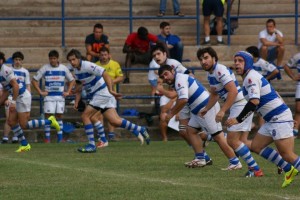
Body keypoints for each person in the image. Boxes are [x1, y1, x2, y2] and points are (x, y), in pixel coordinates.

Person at [225, 51, 300, 188]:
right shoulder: (250, 77)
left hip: (278, 118)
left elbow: (254, 102)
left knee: (287, 154)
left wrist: (238, 119)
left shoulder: (250, 78)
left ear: (247, 63)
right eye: (235, 60)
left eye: (240, 60)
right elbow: (274, 93)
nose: (236, 63)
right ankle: (289, 171)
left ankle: (289, 168)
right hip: (274, 119)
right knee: (256, 146)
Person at [66, 49, 150, 153]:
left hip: (101, 92)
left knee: (86, 116)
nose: (72, 62)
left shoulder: (87, 65)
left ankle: (92, 144)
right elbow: (79, 85)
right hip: (98, 94)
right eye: (70, 60)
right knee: (114, 121)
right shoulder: (77, 70)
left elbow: (105, 74)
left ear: (78, 58)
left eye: (73, 59)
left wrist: (110, 89)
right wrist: (76, 101)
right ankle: (140, 129)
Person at [158, 64, 240, 169]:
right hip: (200, 110)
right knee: (190, 130)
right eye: (162, 76)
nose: (165, 77)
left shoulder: (179, 79)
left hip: (206, 108)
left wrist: (171, 114)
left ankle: (235, 161)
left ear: (173, 71)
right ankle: (200, 158)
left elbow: (183, 100)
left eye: (166, 74)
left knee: (217, 136)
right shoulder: (177, 80)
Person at [197, 47, 262, 174]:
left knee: (232, 140)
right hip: (237, 105)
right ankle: (261, 165)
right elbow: (215, 94)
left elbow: (233, 91)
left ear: (214, 58)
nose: (203, 61)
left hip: (240, 104)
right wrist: (207, 108)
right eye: (200, 59)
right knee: (240, 142)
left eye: (206, 58)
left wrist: (222, 110)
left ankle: (254, 168)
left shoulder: (219, 70)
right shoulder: (210, 73)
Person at [31, 50, 75, 143]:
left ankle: (59, 139)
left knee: (59, 116)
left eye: (54, 58)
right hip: (49, 97)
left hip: (60, 97)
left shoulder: (63, 68)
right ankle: (47, 139)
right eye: (51, 58)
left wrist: (68, 91)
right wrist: (40, 92)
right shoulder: (45, 68)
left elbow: (72, 80)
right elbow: (34, 80)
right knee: (48, 117)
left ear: (57, 58)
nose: (52, 60)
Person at [0, 51, 31, 152]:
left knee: (23, 124)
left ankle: (49, 121)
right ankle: (24, 144)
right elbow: (5, 90)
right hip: (16, 96)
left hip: (22, 96)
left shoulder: (5, 70)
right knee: (11, 121)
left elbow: (16, 86)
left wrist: (13, 102)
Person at [94, 46, 124, 144]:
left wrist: (110, 82)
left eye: (105, 54)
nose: (103, 57)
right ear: (99, 56)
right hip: (99, 94)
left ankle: (111, 135)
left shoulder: (115, 64)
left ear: (109, 55)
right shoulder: (95, 65)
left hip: (111, 93)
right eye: (101, 55)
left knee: (111, 116)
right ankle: (101, 135)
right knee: (99, 115)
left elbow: (120, 77)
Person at [283, 52, 300, 137]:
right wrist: (293, 77)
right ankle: (295, 130)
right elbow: (286, 66)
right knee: (298, 108)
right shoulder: (297, 56)